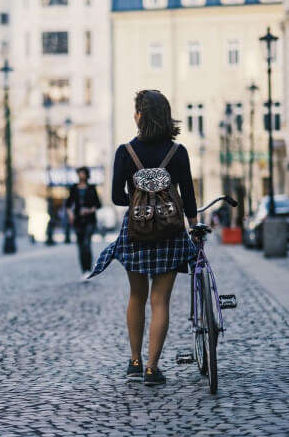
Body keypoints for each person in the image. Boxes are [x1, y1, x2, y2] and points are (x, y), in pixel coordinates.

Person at [87, 90, 198, 386]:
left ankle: (134, 362)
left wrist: (141, 200)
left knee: (137, 296)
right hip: (170, 233)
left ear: (139, 116)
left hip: (136, 232)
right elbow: (188, 197)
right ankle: (152, 368)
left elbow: (115, 197)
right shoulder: (179, 152)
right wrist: (194, 225)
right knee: (160, 301)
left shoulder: (125, 152)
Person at [66, 166, 101, 278]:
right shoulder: (74, 188)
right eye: (79, 173)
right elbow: (68, 204)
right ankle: (83, 271)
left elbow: (98, 204)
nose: (81, 175)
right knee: (80, 246)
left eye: (83, 173)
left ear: (87, 175)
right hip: (78, 221)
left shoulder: (91, 188)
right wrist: (71, 214)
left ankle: (88, 269)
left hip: (90, 220)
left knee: (86, 243)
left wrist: (89, 210)